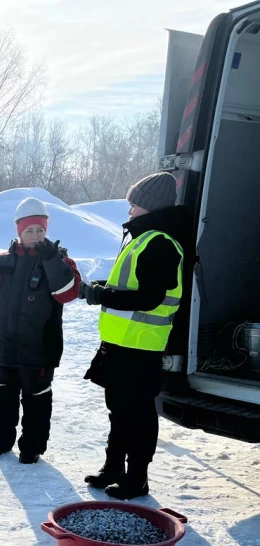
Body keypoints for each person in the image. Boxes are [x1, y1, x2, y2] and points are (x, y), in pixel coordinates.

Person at [79, 172, 188, 499]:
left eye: (134, 204)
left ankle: (137, 478)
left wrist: (102, 296)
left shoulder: (160, 243)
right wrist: (101, 288)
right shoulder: (142, 238)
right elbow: (129, 288)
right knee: (119, 409)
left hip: (141, 347)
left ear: (150, 207)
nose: (129, 211)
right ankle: (114, 467)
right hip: (121, 343)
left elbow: (149, 298)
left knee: (138, 413)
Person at [0, 197, 81, 463]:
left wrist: (52, 260)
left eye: (40, 230)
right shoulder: (3, 260)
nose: (35, 235)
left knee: (36, 400)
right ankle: (0, 442)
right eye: (29, 230)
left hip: (38, 348)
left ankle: (32, 448)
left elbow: (68, 293)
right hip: (1, 346)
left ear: (47, 231)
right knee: (2, 396)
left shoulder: (61, 260)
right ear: (19, 232)